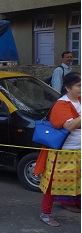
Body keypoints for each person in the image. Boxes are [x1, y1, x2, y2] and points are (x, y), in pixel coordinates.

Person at [35, 72, 81, 227]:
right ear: (68, 88)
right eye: (79, 85)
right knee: (52, 185)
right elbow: (69, 126)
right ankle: (45, 214)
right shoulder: (61, 104)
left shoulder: (79, 101)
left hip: (79, 150)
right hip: (63, 152)